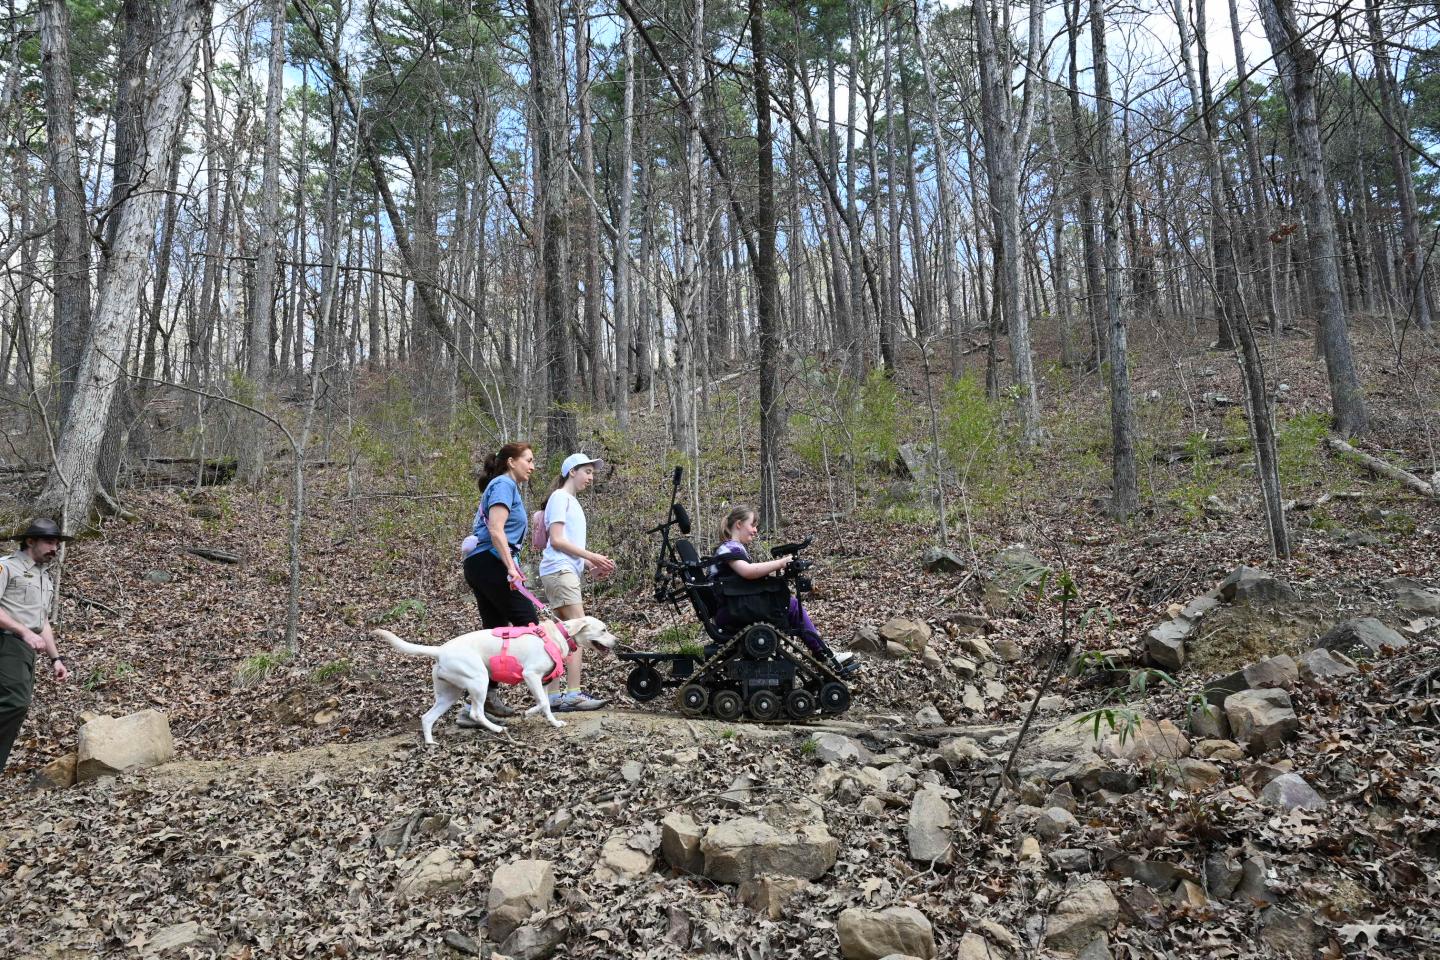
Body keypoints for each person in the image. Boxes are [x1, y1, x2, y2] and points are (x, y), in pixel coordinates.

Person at [711, 506, 858, 677]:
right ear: (738, 524)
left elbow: (746, 579)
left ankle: (821, 653)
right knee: (791, 605)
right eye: (752, 525)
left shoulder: (733, 548)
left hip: (735, 606)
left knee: (789, 602)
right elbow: (748, 572)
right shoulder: (729, 548)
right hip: (730, 610)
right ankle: (823, 654)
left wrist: (777, 573)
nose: (755, 530)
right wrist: (781, 563)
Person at [461, 442, 540, 720]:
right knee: (530, 625)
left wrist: (512, 565)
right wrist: (511, 567)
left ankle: (478, 704)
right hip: (488, 563)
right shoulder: (504, 486)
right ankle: (543, 691)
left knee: (496, 633)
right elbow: (496, 530)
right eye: (528, 460)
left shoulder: (503, 486)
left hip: (482, 563)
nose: (532, 466)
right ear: (511, 462)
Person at [537, 453, 616, 711]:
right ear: (572, 471)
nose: (591, 478)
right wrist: (592, 555)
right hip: (559, 572)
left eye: (592, 473)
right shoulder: (560, 498)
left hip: (561, 572)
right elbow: (557, 541)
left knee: (558, 636)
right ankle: (572, 694)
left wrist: (590, 567)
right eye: (588, 472)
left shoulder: (568, 501)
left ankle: (553, 696)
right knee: (579, 633)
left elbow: (566, 548)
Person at [0, 518, 71, 773]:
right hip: (6, 641)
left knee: (18, 705)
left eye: (57, 543)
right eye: (50, 542)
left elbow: (41, 623)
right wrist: (22, 632)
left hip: (24, 649)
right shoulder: (6, 567)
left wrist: (56, 659)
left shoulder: (44, 578)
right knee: (14, 702)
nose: (55, 548)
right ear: (30, 541)